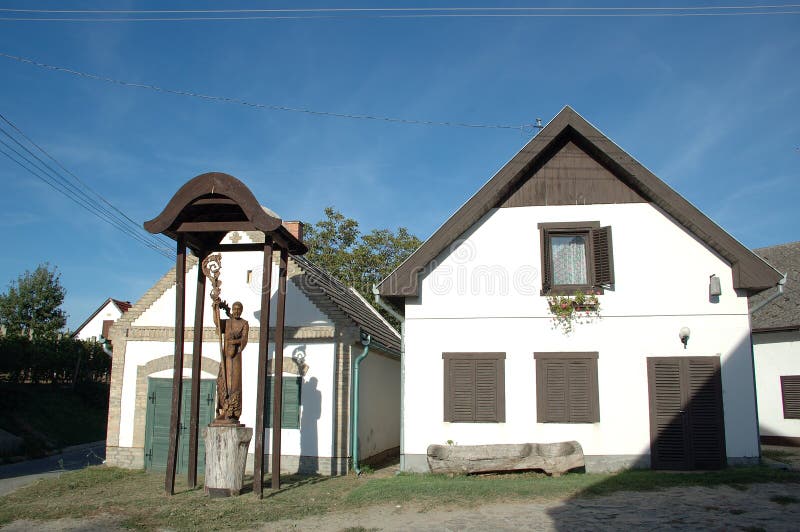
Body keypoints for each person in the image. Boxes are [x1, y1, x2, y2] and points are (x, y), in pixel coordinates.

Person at [212, 301, 249, 423]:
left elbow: (244, 339)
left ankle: (233, 411)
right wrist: (215, 308)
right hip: (226, 357)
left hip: (236, 358)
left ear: (241, 310)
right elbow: (217, 322)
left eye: (239, 309)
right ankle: (224, 409)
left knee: (234, 383)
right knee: (224, 381)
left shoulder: (244, 324)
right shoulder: (227, 323)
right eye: (235, 309)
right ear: (232, 309)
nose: (237, 311)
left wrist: (235, 342)